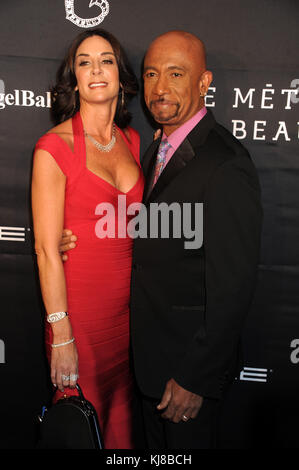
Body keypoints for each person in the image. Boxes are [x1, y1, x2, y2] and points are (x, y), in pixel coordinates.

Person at [60, 30, 263, 449]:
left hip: (187, 377)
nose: (160, 88)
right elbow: (145, 231)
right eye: (151, 74)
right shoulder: (153, 151)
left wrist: (196, 378)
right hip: (146, 365)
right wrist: (76, 237)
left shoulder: (226, 163)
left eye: (175, 74)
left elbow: (233, 287)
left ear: (204, 83)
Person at [31, 29, 144, 449]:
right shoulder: (53, 147)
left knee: (120, 435)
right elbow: (46, 250)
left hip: (128, 322)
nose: (96, 69)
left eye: (107, 60)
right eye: (84, 61)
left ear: (121, 75)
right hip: (79, 321)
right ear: (73, 78)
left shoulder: (132, 142)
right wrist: (62, 337)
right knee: (82, 431)